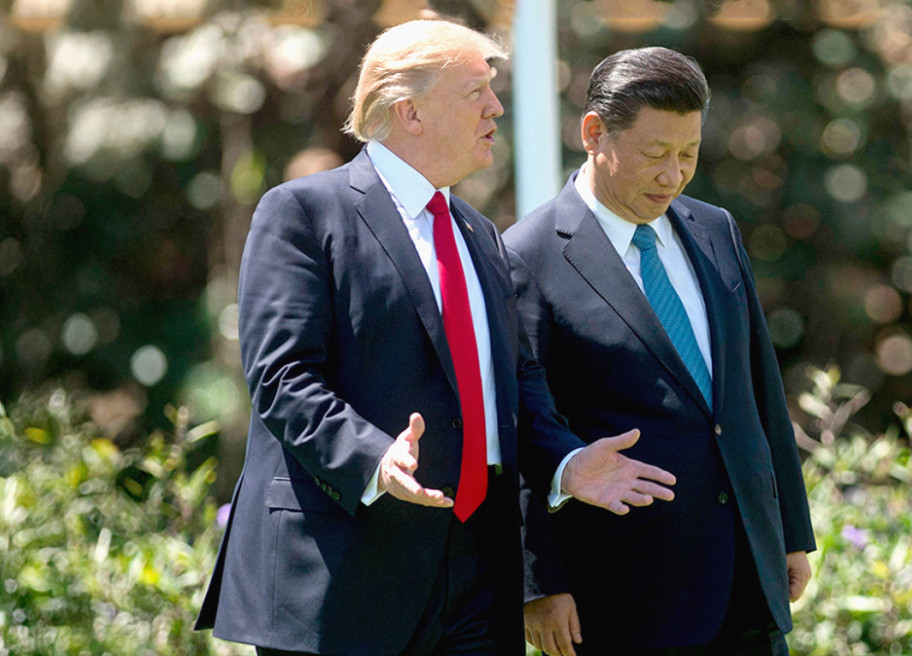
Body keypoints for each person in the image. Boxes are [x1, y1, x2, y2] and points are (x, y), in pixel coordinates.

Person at [195, 21, 676, 656]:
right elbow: (283, 378)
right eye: (476, 91)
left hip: (479, 576)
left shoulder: (480, 232)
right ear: (410, 111)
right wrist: (374, 457)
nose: (496, 107)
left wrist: (565, 462)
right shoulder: (303, 212)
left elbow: (516, 381)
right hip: (343, 572)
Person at [503, 47, 816, 656]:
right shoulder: (526, 255)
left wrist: (789, 533)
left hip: (748, 576)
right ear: (594, 133)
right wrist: (541, 583)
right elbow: (524, 427)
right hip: (627, 594)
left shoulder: (716, 228)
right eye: (655, 154)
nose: (673, 175)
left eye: (688, 154)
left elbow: (757, 390)